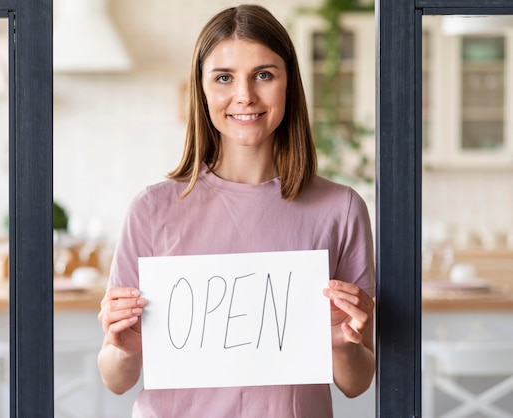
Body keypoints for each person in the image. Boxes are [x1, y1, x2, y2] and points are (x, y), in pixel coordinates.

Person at [97, 4, 376, 417]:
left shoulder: (340, 208)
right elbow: (116, 378)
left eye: (264, 74)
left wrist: (344, 343)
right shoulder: (151, 210)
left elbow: (356, 383)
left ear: (289, 85)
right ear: (202, 89)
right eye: (224, 77)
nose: (244, 95)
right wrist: (122, 348)